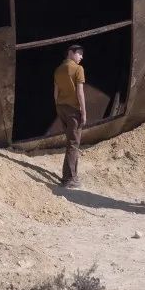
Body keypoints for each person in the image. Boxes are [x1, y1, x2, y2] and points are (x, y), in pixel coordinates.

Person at [53, 44, 87, 188]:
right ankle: (69, 179)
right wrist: (84, 112)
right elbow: (80, 92)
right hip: (73, 110)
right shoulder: (78, 69)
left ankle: (70, 175)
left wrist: (58, 107)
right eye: (79, 54)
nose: (81, 57)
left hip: (61, 108)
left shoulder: (58, 69)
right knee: (73, 143)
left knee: (70, 142)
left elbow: (55, 92)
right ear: (71, 53)